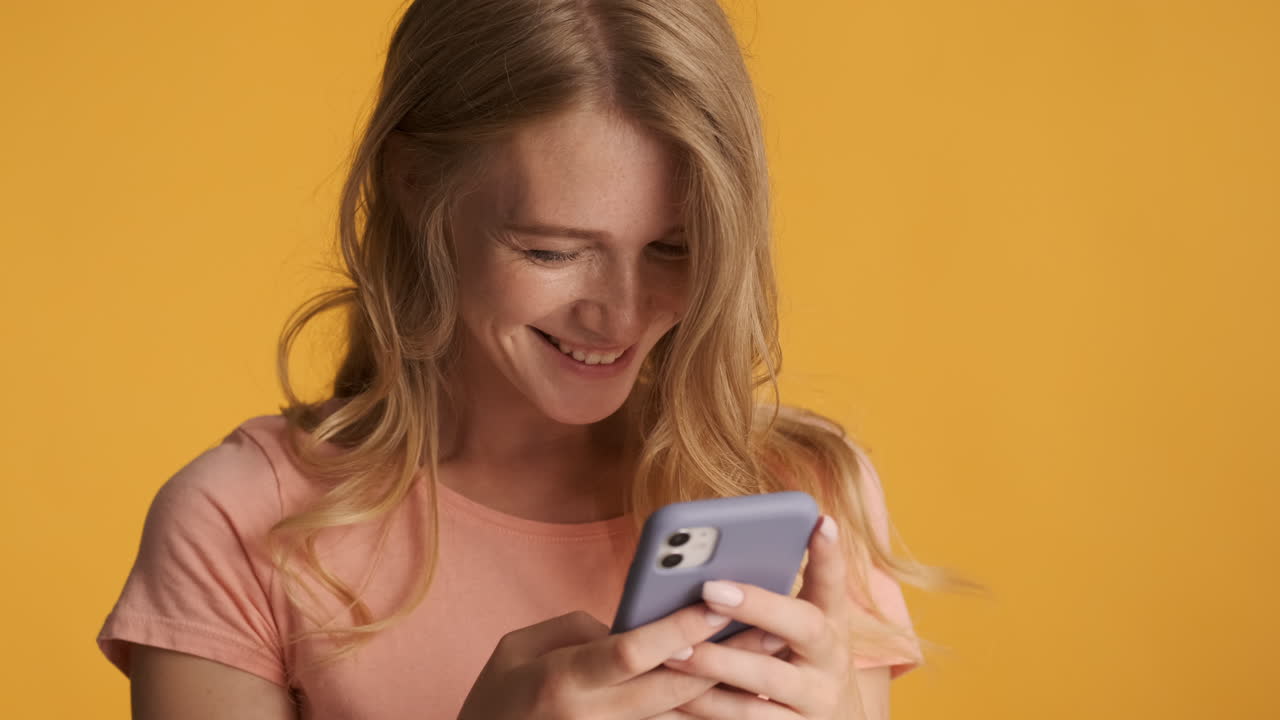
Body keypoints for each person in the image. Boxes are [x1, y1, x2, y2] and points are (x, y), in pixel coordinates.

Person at [96, 0, 978, 717]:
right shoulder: (242, 525)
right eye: (552, 251)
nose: (620, 315)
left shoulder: (801, 493)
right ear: (414, 183)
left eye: (672, 249)